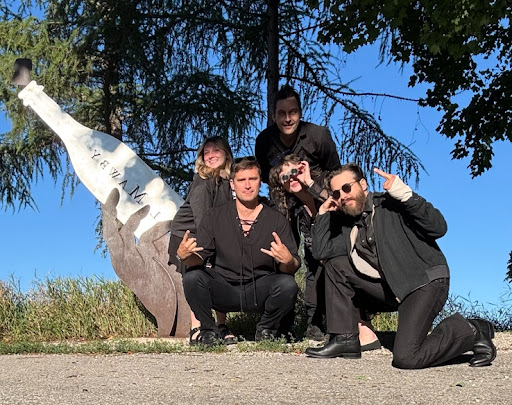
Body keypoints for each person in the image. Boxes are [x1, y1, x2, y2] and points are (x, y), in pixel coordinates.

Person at [306, 163, 497, 369]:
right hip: (393, 287)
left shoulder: (390, 203)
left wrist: (405, 194)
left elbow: (439, 227)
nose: (342, 196)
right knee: (336, 265)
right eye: (336, 193)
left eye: (346, 188)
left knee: (406, 358)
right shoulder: (348, 226)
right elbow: (322, 252)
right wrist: (322, 214)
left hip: (424, 283)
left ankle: (473, 330)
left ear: (363, 184)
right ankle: (344, 338)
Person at [176, 158, 300, 346]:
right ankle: (209, 331)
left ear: (260, 182)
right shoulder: (214, 216)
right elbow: (199, 258)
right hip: (224, 288)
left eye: (253, 179)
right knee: (192, 277)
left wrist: (288, 260)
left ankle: (266, 330)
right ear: (232, 184)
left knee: (287, 284)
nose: (247, 185)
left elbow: (292, 265)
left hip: (259, 290)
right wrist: (185, 256)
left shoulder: (276, 219)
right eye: (242, 180)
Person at [269, 154, 381, 349]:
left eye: (294, 171)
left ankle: (363, 327)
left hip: (350, 252)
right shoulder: (294, 210)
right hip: (318, 258)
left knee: (338, 269)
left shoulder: (327, 187)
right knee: (314, 295)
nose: (292, 178)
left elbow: (339, 203)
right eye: (285, 177)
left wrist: (310, 183)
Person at [168, 136, 235, 345]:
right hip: (190, 234)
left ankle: (221, 326)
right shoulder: (203, 180)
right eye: (206, 153)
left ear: (226, 153)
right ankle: (197, 327)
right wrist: (208, 244)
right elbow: (202, 216)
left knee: (221, 274)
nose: (211, 156)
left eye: (216, 151)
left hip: (216, 232)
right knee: (195, 276)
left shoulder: (230, 180)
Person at [255, 85, 341, 185]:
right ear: (274, 116)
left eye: (292, 112)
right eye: (282, 113)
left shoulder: (318, 136)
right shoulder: (264, 141)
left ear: (300, 113)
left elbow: (336, 173)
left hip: (319, 192)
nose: (287, 119)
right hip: (282, 194)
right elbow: (266, 178)